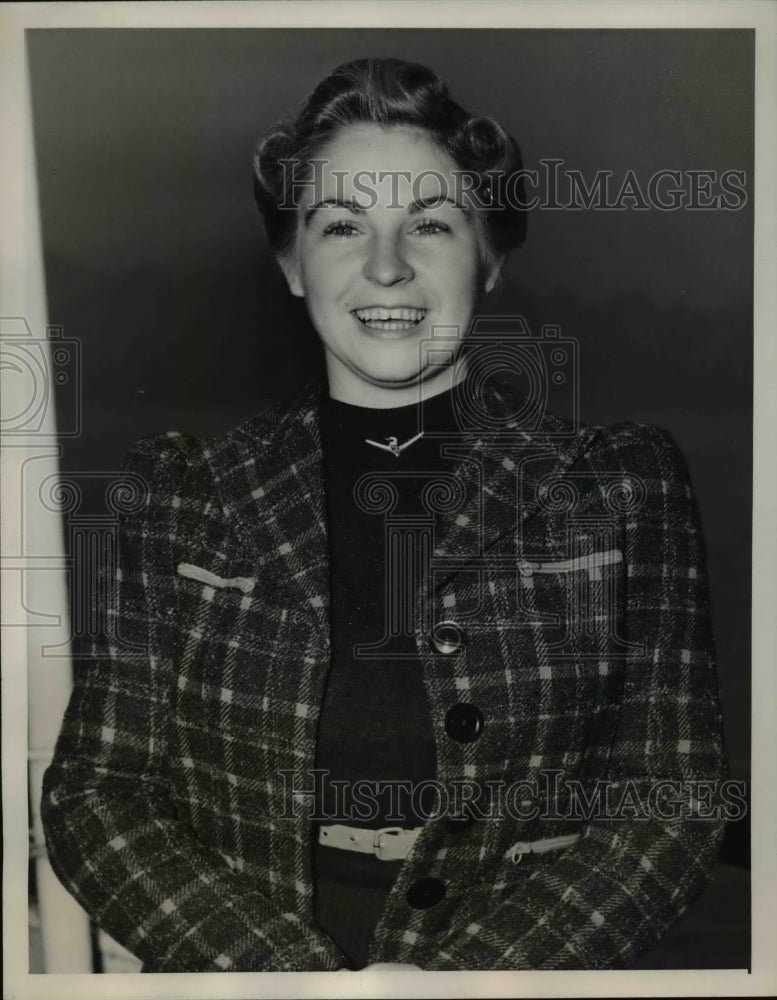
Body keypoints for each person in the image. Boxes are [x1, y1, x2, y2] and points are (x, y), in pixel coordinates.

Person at [41, 57, 727, 972]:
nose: (386, 266)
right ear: (290, 262)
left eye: (431, 224)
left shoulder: (620, 485)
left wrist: (472, 985)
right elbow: (99, 792)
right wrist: (287, 980)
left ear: (491, 258)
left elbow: (672, 796)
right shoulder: (181, 492)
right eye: (340, 226)